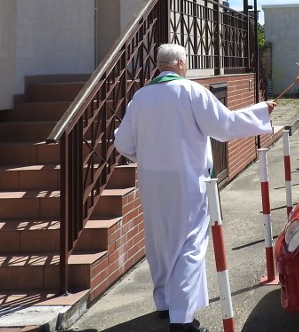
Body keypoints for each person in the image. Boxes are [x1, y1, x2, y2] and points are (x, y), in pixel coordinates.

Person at [114, 43, 276, 332]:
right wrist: (262, 111)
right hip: (187, 180)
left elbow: (124, 143)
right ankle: (182, 318)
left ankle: (164, 303)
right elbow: (225, 126)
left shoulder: (140, 97)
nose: (186, 66)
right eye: (186, 61)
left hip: (152, 180)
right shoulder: (192, 91)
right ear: (178, 63)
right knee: (190, 244)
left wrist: (150, 156)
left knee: (160, 242)